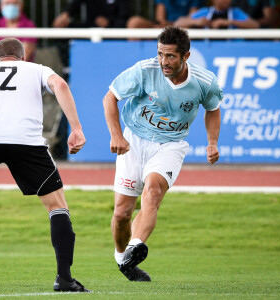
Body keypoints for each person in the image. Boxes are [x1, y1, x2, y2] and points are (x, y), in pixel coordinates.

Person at [103, 26, 222, 281]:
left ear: (185, 56)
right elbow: (109, 98)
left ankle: (136, 245)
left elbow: (213, 109)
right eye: (160, 54)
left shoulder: (205, 81)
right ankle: (123, 257)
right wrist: (116, 135)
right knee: (122, 213)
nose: (163, 62)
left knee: (153, 191)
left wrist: (212, 142)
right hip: (134, 140)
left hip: (171, 144)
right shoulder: (145, 70)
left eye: (170, 56)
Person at [0, 38, 90, 293]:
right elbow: (61, 84)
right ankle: (64, 278)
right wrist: (76, 128)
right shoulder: (37, 69)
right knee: (57, 206)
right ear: (23, 57)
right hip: (27, 144)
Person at [174, 0, 259, 29]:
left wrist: (229, 22)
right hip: (210, 48)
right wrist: (196, 22)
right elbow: (177, 24)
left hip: (232, 49)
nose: (228, 0)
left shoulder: (235, 12)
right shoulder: (206, 12)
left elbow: (255, 25)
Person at [127, 0, 205, 29]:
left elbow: (192, 18)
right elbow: (160, 20)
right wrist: (169, 25)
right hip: (165, 27)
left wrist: (179, 24)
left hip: (183, 28)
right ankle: (134, 54)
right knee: (134, 22)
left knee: (187, 26)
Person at [53, 0, 130, 28]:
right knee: (60, 24)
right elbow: (75, 4)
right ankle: (66, 63)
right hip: (89, 27)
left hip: (113, 31)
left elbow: (123, 17)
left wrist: (109, 22)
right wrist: (65, 14)